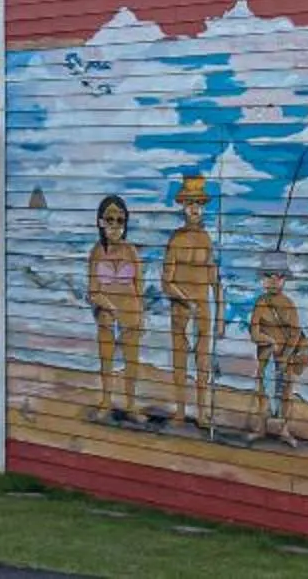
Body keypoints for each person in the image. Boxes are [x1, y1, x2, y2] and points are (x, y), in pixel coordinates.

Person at [160, 174, 221, 428]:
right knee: (180, 358)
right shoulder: (176, 239)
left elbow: (215, 279)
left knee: (203, 361)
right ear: (183, 206)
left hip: (203, 307)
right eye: (189, 203)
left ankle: (202, 412)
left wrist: (220, 315)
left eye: (198, 203)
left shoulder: (206, 239)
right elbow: (166, 282)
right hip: (181, 307)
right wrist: (186, 301)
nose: (194, 208)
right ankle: (181, 410)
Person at [86, 194, 146, 420]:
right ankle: (106, 401)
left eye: (120, 220)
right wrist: (111, 308)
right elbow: (93, 291)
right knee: (106, 359)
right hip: (107, 312)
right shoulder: (97, 252)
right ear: (100, 222)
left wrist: (141, 315)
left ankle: (131, 405)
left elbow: (139, 287)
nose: (115, 226)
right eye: (109, 220)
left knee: (132, 360)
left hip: (131, 311)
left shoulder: (131, 251)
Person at [249, 249, 308, 448]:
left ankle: (284, 429)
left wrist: (285, 355)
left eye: (278, 277)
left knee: (286, 393)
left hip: (286, 357)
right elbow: (254, 332)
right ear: (263, 279)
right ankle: (261, 426)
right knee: (263, 392)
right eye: (269, 276)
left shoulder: (288, 304)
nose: (273, 281)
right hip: (266, 356)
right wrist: (268, 340)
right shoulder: (260, 303)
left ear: (284, 280)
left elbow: (295, 333)